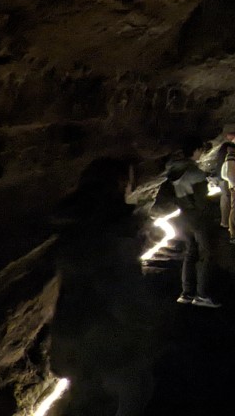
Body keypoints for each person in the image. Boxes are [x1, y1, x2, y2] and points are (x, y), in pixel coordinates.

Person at [51, 159, 162, 416]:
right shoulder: (116, 229)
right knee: (135, 391)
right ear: (120, 184)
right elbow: (124, 287)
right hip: (108, 334)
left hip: (71, 329)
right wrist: (147, 324)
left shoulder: (70, 225)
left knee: (84, 400)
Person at [163, 139, 221, 308]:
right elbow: (201, 200)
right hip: (197, 216)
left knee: (190, 252)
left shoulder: (173, 171)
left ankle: (187, 293)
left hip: (183, 216)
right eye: (200, 150)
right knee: (206, 253)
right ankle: (202, 294)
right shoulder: (195, 173)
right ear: (195, 151)